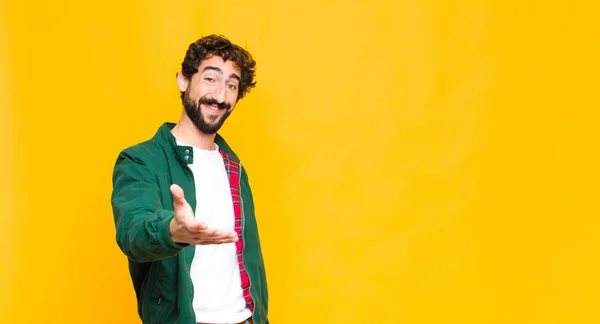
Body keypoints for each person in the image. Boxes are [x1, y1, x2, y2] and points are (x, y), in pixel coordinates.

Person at [110, 35, 269, 324]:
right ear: (184, 80)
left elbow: (249, 261)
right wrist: (171, 231)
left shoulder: (233, 165)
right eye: (210, 78)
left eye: (231, 85)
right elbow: (132, 233)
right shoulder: (141, 160)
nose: (220, 96)